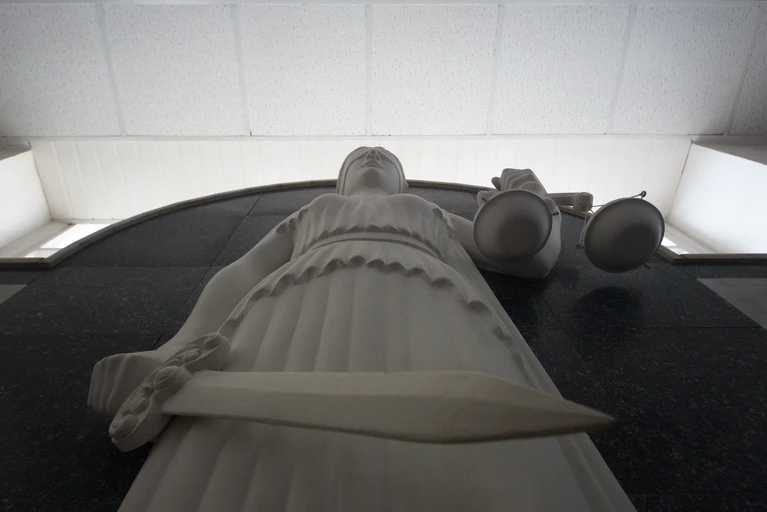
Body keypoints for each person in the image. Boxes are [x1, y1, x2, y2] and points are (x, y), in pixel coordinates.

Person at [88, 147, 632, 512]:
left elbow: (531, 259)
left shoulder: (427, 211)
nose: (372, 154)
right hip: (293, 309)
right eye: (359, 156)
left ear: (403, 180)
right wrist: (173, 350)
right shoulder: (316, 210)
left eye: (385, 156)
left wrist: (531, 196)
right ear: (341, 181)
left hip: (435, 305)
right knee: (240, 462)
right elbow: (243, 273)